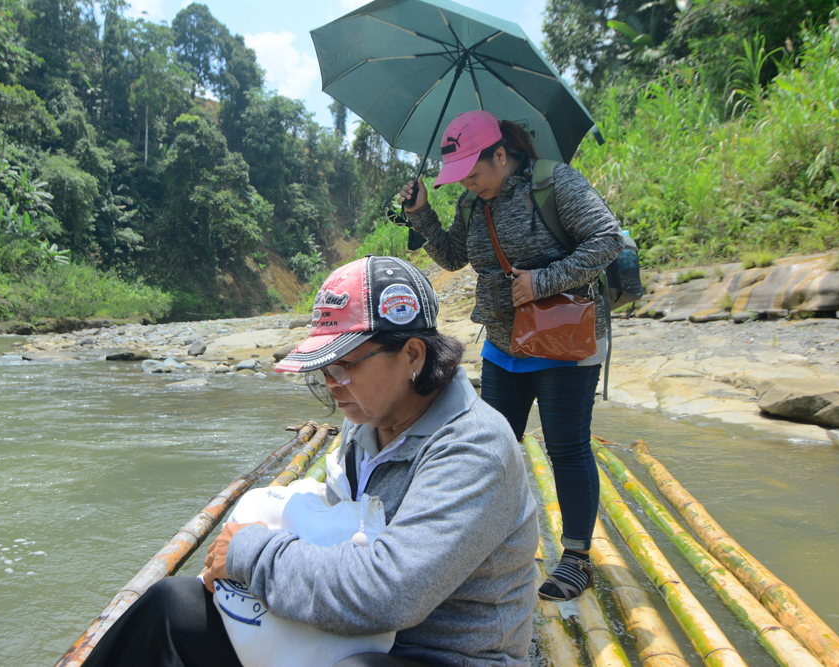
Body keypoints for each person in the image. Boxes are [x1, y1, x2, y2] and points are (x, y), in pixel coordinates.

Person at [82, 255, 539, 667]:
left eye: (343, 366)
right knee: (171, 606)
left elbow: (389, 594)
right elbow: (338, 531)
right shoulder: (367, 423)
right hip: (349, 639)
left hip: (440, 655)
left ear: (412, 355)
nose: (333, 384)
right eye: (324, 371)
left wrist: (250, 552)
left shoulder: (473, 447)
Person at [398, 110, 624, 601]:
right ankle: (492, 541)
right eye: (462, 178)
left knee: (567, 448)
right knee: (494, 444)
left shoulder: (555, 183)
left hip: (567, 341)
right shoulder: (472, 204)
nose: (471, 184)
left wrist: (541, 281)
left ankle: (578, 557)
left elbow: (607, 240)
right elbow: (454, 256)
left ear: (502, 155)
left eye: (475, 173)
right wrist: (420, 213)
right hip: (504, 343)